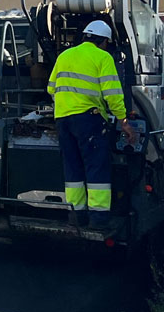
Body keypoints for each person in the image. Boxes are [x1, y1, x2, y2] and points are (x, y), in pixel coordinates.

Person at [47, 20, 137, 230]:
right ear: (104, 41)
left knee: (73, 168)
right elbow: (113, 94)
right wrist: (123, 120)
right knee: (96, 167)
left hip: (63, 120)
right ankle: (98, 218)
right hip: (89, 120)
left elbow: (51, 88)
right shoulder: (103, 57)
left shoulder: (64, 56)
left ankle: (76, 215)